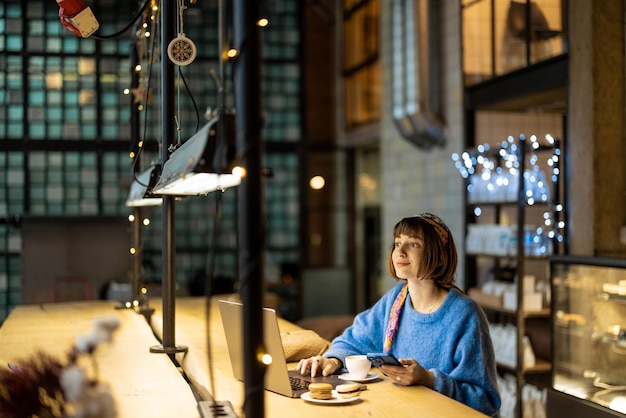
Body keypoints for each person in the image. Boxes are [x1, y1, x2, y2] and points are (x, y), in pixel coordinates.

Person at [296, 213, 501, 417]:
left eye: (413, 244)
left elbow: (485, 400)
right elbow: (355, 339)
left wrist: (429, 379)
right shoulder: (396, 299)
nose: (399, 252)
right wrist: (332, 360)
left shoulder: (464, 315)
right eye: (397, 243)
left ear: (439, 257)